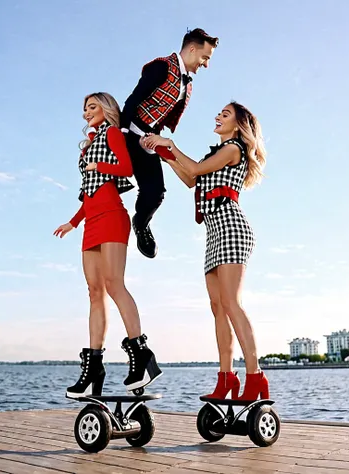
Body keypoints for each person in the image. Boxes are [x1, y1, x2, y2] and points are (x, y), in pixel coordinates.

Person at [142, 102, 269, 401]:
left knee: (231, 303)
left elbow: (196, 169)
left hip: (231, 228)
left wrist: (170, 144)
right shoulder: (215, 153)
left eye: (225, 114)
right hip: (214, 233)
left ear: (238, 125)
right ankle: (226, 379)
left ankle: (255, 377)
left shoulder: (233, 149)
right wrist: (163, 153)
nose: (217, 116)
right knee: (217, 308)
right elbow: (191, 179)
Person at [54, 92, 162, 399]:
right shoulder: (89, 144)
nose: (86, 112)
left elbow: (126, 169)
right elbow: (88, 192)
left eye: (92, 106)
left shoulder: (112, 133)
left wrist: (99, 166)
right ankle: (94, 366)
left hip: (113, 217)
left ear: (106, 108)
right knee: (94, 293)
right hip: (91, 222)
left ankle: (141, 353)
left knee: (115, 284)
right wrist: (73, 222)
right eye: (84, 108)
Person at [121, 28, 219, 259]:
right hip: (131, 132)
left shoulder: (188, 83)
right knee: (119, 172)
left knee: (155, 193)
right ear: (192, 49)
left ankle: (141, 223)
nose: (206, 64)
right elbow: (133, 99)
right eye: (205, 58)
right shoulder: (162, 66)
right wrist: (123, 134)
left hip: (151, 139)